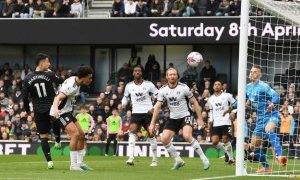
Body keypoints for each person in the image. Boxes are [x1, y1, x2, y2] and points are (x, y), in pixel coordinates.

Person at [149, 68, 210, 170]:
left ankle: (204, 159)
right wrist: (152, 123)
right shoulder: (163, 90)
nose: (172, 76)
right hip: (173, 118)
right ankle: (178, 160)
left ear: (177, 76)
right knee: (164, 139)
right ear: (167, 77)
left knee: (187, 135)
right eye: (170, 74)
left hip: (185, 115)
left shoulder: (184, 88)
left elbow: (194, 102)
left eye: (174, 74)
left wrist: (199, 118)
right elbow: (157, 107)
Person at [22, 53, 63, 169]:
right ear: (41, 63)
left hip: (38, 110)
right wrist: (53, 74)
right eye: (47, 61)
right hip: (51, 106)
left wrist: (27, 111)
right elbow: (61, 81)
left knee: (43, 136)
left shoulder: (27, 78)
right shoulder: (49, 74)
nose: (49, 64)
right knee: (56, 120)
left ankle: (49, 162)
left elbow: (25, 97)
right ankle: (58, 140)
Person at [50, 66, 93, 171]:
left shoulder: (76, 81)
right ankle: (73, 165)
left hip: (67, 112)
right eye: (89, 78)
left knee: (82, 135)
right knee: (75, 134)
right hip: (60, 113)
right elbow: (57, 98)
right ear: (83, 77)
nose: (91, 80)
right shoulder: (71, 86)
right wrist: (56, 110)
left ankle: (80, 163)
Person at [246, 65, 287, 173]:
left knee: (269, 129)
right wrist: (232, 109)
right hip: (260, 119)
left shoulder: (264, 86)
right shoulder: (248, 87)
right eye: (251, 71)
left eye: (255, 72)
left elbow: (276, 96)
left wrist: (272, 104)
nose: (252, 73)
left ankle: (279, 156)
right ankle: (266, 167)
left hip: (271, 115)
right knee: (254, 147)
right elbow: (246, 101)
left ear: (259, 75)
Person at [122, 65, 159, 167]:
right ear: (133, 73)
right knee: (132, 131)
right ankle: (130, 157)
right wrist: (123, 103)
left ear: (141, 73)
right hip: (136, 113)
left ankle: (155, 159)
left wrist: (154, 107)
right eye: (135, 71)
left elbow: (158, 95)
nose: (137, 72)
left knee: (151, 133)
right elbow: (125, 97)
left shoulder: (149, 84)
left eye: (139, 71)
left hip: (148, 112)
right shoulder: (129, 86)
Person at [207, 81, 235, 164]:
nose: (217, 86)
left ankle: (231, 159)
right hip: (216, 123)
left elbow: (236, 104)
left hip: (226, 121)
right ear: (213, 87)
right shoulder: (210, 99)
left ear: (222, 87)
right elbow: (211, 111)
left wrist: (233, 112)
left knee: (225, 140)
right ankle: (226, 152)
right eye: (215, 84)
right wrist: (210, 120)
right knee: (214, 142)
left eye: (219, 84)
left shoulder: (227, 96)